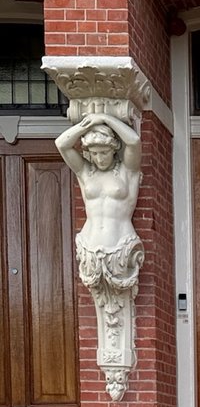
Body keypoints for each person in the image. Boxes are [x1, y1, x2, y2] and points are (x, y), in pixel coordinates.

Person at [55, 111, 144, 295]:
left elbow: (134, 141)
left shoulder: (127, 171)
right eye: (94, 154)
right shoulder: (86, 172)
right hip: (90, 247)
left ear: (114, 149)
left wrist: (105, 118)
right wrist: (86, 125)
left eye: (104, 153)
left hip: (121, 246)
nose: (99, 158)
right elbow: (61, 144)